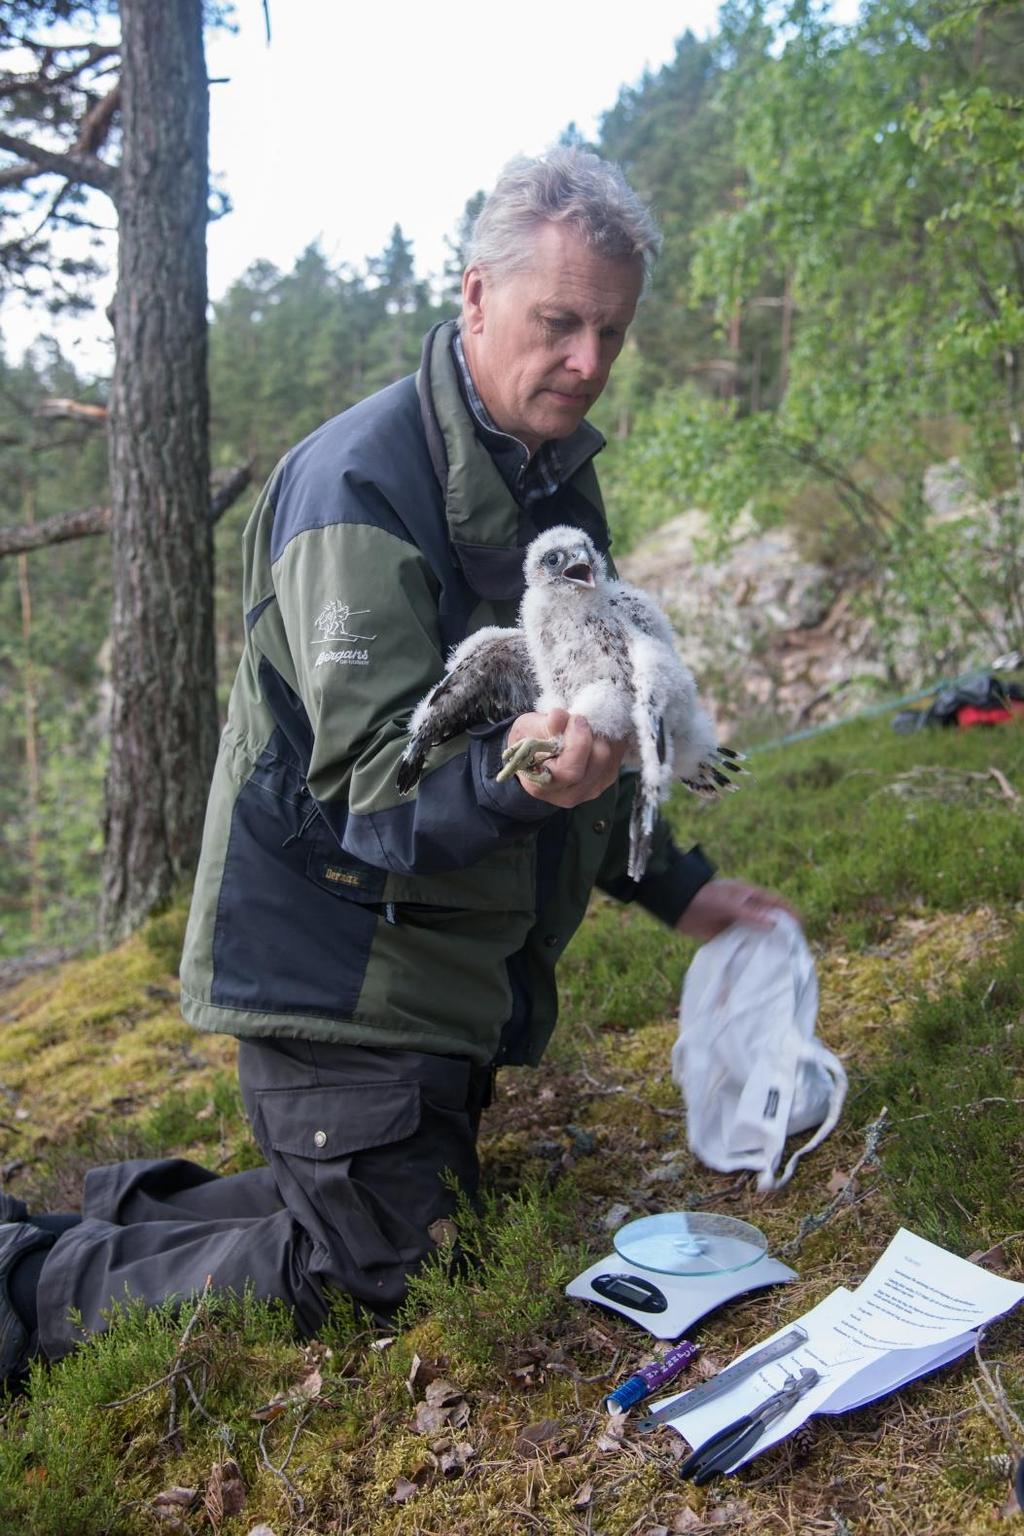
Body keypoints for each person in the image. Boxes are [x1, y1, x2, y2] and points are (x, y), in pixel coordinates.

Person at [0, 149, 787, 1383]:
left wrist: (677, 885)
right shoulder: (358, 490)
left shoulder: (546, 471)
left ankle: (94, 1224)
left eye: (612, 332)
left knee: (393, 1219)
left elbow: (586, 707)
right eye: (559, 322)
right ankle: (27, 1292)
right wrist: (524, 773)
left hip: (436, 970)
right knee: (388, 1273)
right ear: (475, 297)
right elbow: (373, 796)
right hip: (338, 975)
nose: (588, 362)